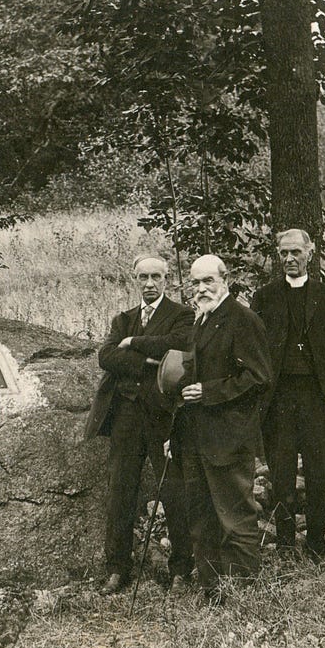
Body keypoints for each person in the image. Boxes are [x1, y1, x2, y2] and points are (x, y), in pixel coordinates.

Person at [85, 255, 194, 595]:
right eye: (143, 277)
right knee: (121, 491)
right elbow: (106, 356)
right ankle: (117, 569)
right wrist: (150, 361)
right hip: (126, 418)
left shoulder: (182, 315)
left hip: (164, 417)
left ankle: (180, 571)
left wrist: (133, 344)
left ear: (167, 280)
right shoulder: (124, 318)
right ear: (136, 280)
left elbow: (180, 346)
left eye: (156, 277)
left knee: (174, 490)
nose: (149, 283)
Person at [171, 255, 273, 601]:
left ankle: (243, 596)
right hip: (197, 438)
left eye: (208, 281)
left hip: (230, 438)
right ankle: (212, 593)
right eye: (195, 283)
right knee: (201, 519)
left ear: (224, 280)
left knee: (236, 520)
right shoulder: (202, 320)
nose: (201, 289)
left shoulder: (243, 319)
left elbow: (259, 377)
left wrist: (210, 391)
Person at [250, 229, 325, 561]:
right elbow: (256, 349)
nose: (290, 259)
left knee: (318, 471)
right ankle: (287, 544)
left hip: (316, 397)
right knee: (282, 472)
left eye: (296, 253)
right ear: (278, 255)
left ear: (311, 253)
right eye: (284, 253)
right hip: (279, 400)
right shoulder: (264, 297)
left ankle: (317, 543)